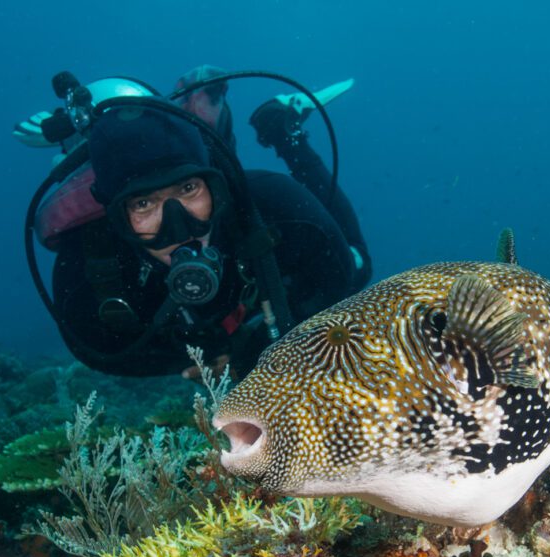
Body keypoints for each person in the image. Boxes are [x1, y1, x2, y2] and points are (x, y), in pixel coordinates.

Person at [26, 68, 371, 378]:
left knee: (358, 265)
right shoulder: (86, 273)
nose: (178, 227)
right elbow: (105, 354)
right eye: (143, 204)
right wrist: (198, 355)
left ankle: (282, 130)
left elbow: (335, 283)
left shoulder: (279, 206)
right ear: (116, 218)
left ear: (216, 188)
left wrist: (260, 349)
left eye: (189, 189)